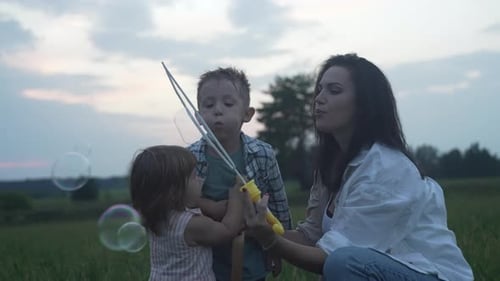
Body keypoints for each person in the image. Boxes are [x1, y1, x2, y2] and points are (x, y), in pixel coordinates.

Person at [243, 53, 474, 281]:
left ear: (364, 104)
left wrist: (272, 242)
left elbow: (328, 257)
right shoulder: (330, 166)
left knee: (344, 263)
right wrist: (254, 228)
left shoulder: (386, 168)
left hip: (429, 274)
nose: (319, 99)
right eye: (319, 90)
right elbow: (311, 237)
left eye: (334, 91)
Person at [188, 67, 292, 281]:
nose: (217, 111)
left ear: (247, 114)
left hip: (251, 255)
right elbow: (183, 207)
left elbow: (279, 202)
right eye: (208, 105)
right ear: (198, 116)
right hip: (205, 262)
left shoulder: (263, 154)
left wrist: (279, 247)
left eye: (228, 104)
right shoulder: (190, 157)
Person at [129, 145, 244, 281]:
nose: (200, 180)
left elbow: (193, 204)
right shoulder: (191, 225)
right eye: (194, 177)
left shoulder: (156, 216)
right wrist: (237, 196)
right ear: (173, 192)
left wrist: (216, 207)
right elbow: (228, 230)